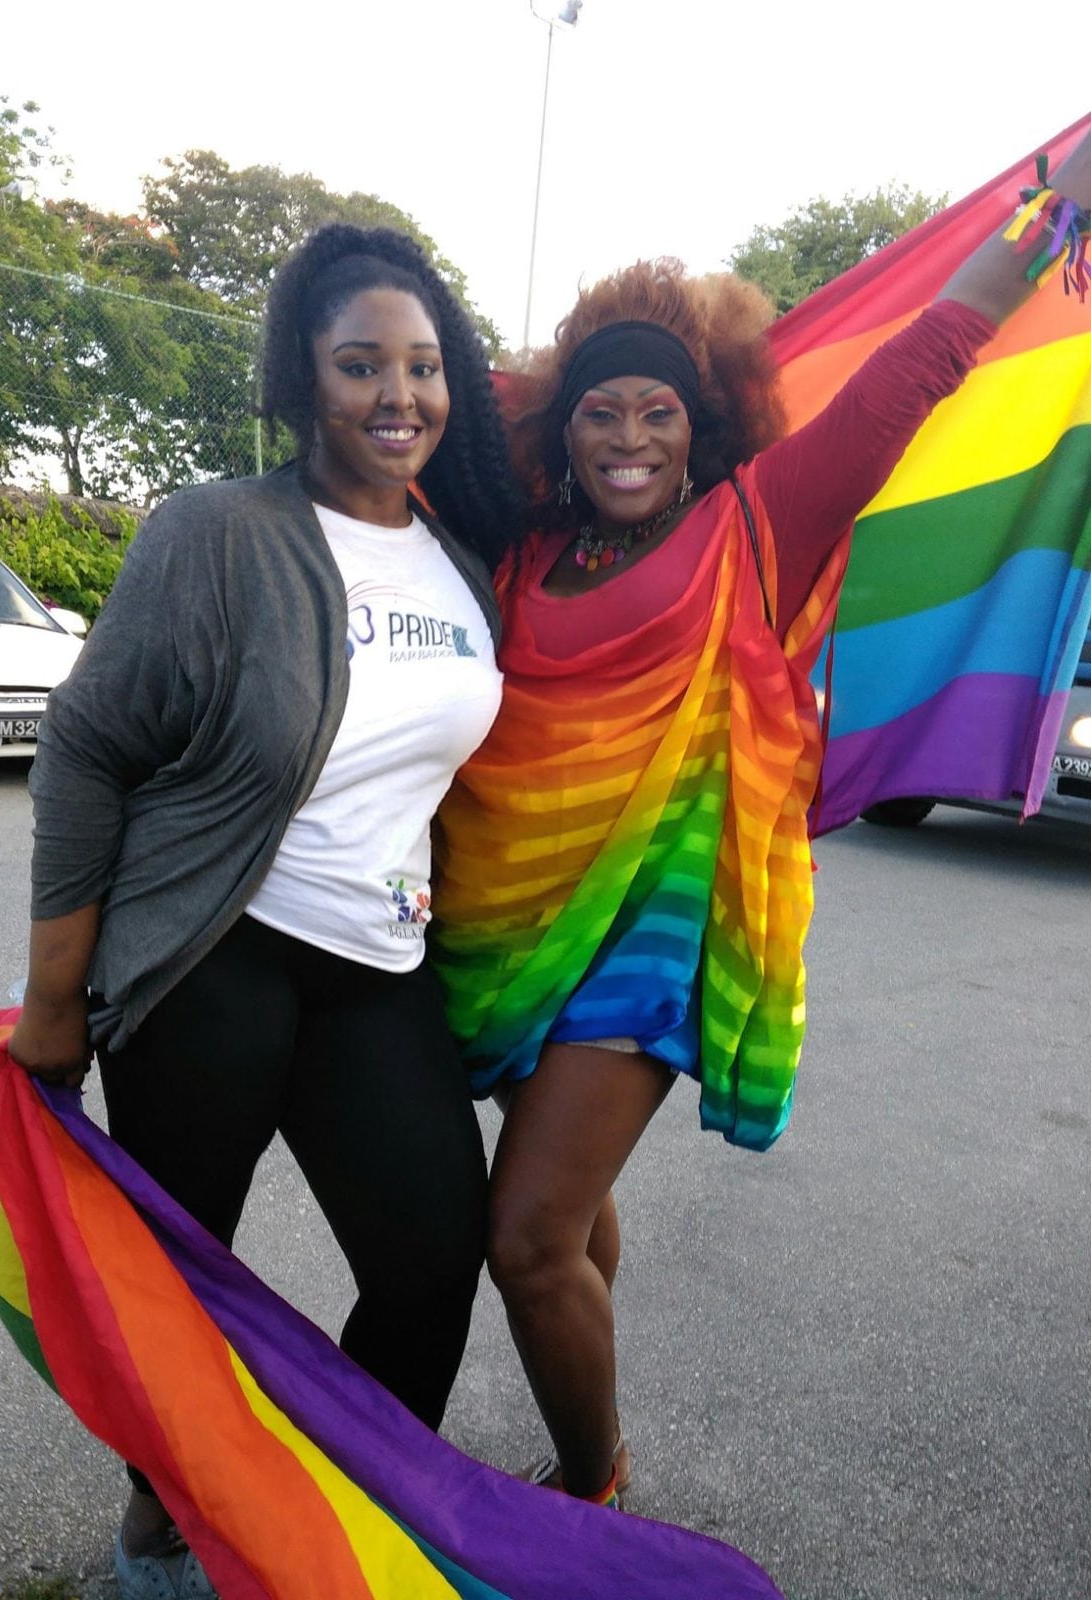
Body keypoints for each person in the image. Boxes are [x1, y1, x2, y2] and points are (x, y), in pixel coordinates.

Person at [431, 137, 1091, 1509]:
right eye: (599, 412)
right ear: (564, 430)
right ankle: (589, 1403)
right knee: (566, 1212)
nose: (627, 436)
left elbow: (923, 362)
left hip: (646, 945)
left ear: (703, 424)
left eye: (656, 412)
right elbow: (424, 410)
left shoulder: (759, 523)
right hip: (503, 930)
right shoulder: (527, 547)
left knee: (528, 1237)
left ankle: (593, 1484)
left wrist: (1051, 213)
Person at [7, 223, 523, 1600]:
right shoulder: (219, 533)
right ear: (303, 380)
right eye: (361, 365)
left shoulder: (462, 564)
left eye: (423, 366)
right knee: (182, 1284)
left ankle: (320, 1537)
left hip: (378, 964)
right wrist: (56, 997)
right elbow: (89, 745)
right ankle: (161, 1529)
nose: (398, 394)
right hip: (212, 955)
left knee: (430, 1267)